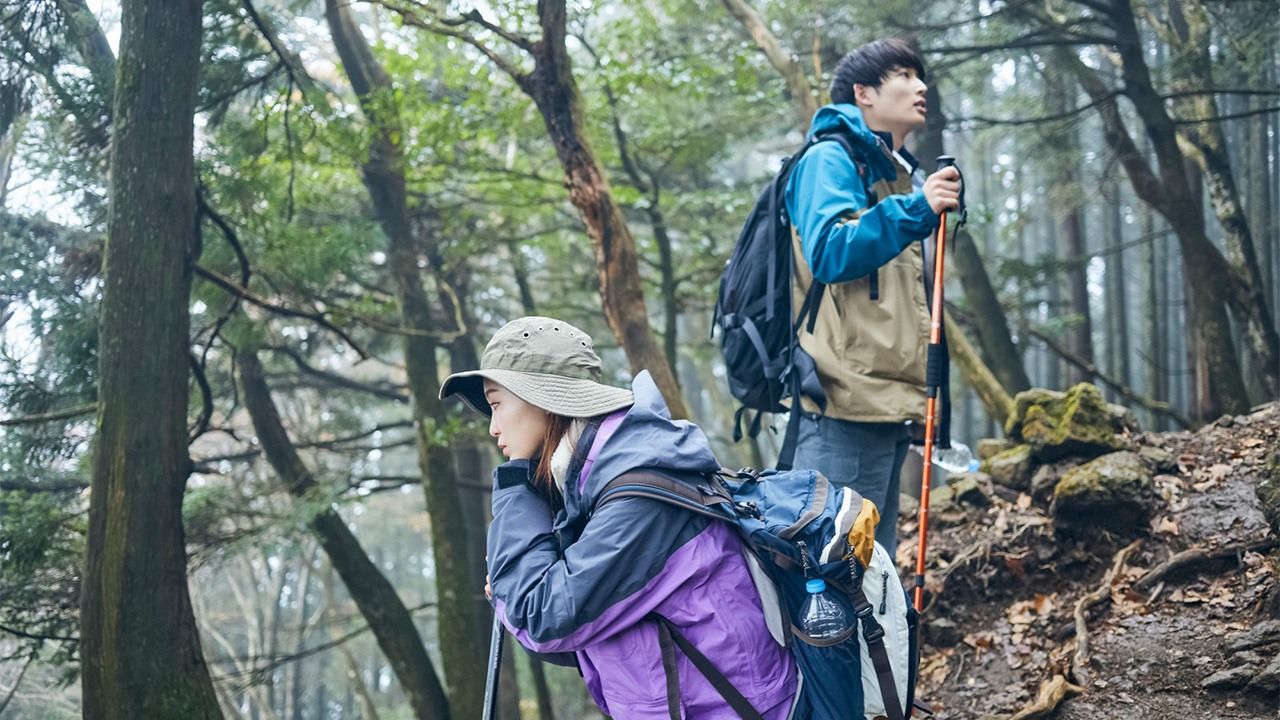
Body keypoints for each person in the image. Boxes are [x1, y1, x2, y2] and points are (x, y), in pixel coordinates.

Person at [440, 316, 797, 719]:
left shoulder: (637, 497)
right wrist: (514, 591)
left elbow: (543, 618)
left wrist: (515, 485)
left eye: (496, 404)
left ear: (541, 397)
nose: (493, 427)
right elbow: (583, 639)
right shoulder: (590, 486)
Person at [784, 38, 960, 556]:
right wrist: (916, 210)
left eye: (920, 75)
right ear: (862, 93)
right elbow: (831, 251)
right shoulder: (829, 160)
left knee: (872, 577)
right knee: (830, 579)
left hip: (882, 405)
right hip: (840, 406)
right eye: (904, 75)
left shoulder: (893, 174)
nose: (920, 86)